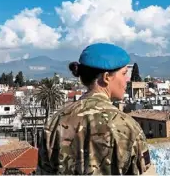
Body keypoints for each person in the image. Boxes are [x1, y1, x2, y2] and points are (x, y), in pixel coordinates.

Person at [37, 43, 156, 175]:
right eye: (123, 74)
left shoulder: (54, 124)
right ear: (106, 77)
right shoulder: (127, 126)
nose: (127, 79)